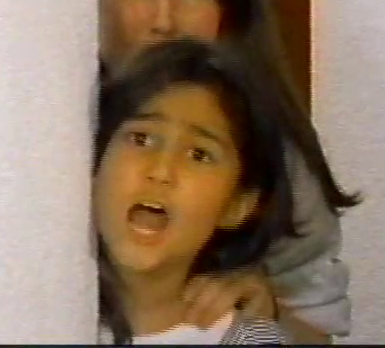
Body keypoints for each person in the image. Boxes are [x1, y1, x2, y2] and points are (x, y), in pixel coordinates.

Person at [98, 0, 361, 343]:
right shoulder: (45, 127)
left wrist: (269, 310)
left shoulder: (270, 150)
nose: (163, 20)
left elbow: (319, 333)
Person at [94, 38, 296, 344]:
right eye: (141, 139)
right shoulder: (36, 313)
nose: (161, 171)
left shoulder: (246, 340)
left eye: (198, 155)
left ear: (237, 205)